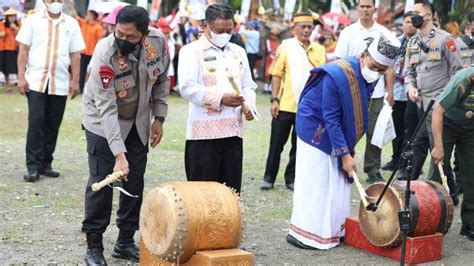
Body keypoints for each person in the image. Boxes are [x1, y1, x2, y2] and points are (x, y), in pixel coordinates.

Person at [287, 34, 400, 250]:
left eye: (382, 71)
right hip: (316, 127)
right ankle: (306, 234)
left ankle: (333, 230)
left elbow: (355, 112)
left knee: (337, 182)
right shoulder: (337, 74)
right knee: (319, 181)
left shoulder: (369, 74)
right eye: (375, 66)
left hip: (335, 127)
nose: (377, 73)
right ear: (364, 55)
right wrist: (344, 153)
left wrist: (348, 148)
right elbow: (331, 117)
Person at [81, 5, 170, 265]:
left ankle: (124, 241)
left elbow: (162, 78)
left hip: (139, 121)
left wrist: (159, 117)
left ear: (144, 34)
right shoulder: (104, 53)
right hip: (102, 123)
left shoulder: (157, 41)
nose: (123, 40)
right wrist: (119, 155)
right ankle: (94, 246)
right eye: (119, 33)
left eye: (131, 37)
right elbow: (107, 109)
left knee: (134, 182)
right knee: (102, 182)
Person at [178, 3, 257, 194]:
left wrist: (249, 106)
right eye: (219, 30)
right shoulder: (190, 51)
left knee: (230, 192)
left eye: (229, 30)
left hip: (232, 132)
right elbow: (187, 87)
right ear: (205, 26)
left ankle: (228, 225)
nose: (224, 34)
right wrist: (220, 98)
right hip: (203, 135)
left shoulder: (238, 52)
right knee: (203, 193)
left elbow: (249, 86)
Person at [16, 0, 85, 182]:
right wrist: (21, 77)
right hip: (36, 81)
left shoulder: (71, 23)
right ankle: (33, 166)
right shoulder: (32, 20)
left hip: (60, 82)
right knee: (36, 121)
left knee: (53, 123)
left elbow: (75, 54)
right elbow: (23, 49)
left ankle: (46, 163)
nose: (56, 2)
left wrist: (75, 80)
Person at [334, 0, 400, 183]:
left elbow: (390, 67)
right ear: (357, 9)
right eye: (362, 6)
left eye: (368, 6)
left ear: (374, 9)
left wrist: (390, 91)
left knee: (374, 131)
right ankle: (345, 163)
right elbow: (339, 60)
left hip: (377, 92)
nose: (364, 9)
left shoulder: (384, 33)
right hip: (352, 90)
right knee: (349, 128)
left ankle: (373, 168)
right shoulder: (348, 32)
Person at [405, 1, 463, 203]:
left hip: (440, 106)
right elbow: (408, 73)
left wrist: (446, 98)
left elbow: (459, 72)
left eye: (417, 13)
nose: (413, 16)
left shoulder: (445, 40)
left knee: (435, 149)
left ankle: (439, 194)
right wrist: (410, 87)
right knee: (425, 146)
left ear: (428, 16)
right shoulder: (412, 43)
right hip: (420, 105)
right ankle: (449, 192)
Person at [260, 13, 326, 191]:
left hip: (309, 108)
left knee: (300, 146)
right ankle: (269, 177)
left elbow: (323, 79)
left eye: (309, 27)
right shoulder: (286, 47)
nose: (306, 30)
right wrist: (274, 99)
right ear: (293, 28)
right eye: (302, 26)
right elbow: (276, 74)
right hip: (285, 105)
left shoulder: (319, 50)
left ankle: (291, 178)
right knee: (276, 145)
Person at [431, 67, 474, 241]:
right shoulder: (464, 80)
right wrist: (438, 146)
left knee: (472, 174)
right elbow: (437, 112)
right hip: (446, 123)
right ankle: (431, 220)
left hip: (470, 129)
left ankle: (469, 223)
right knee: (437, 174)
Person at [382, 12, 416, 171]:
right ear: (403, 24)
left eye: (412, 22)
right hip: (397, 90)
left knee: (411, 128)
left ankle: (408, 162)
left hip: (413, 93)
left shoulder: (420, 43)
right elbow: (388, 66)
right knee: (396, 127)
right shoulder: (396, 42)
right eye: (406, 22)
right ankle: (395, 159)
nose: (409, 25)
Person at [67, 3, 104, 93]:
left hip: (93, 53)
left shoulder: (98, 27)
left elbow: (100, 40)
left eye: (88, 14)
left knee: (93, 72)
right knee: (81, 72)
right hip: (83, 53)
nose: (86, 16)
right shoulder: (84, 23)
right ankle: (80, 89)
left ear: (92, 16)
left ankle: (91, 90)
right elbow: (75, 15)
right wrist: (71, 6)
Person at [2, 8, 20, 90]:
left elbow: (23, 34)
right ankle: (7, 84)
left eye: (13, 16)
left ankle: (20, 82)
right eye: (10, 16)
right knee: (7, 68)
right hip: (7, 48)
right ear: (7, 17)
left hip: (17, 47)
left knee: (18, 66)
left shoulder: (19, 23)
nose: (12, 18)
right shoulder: (3, 25)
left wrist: (15, 28)